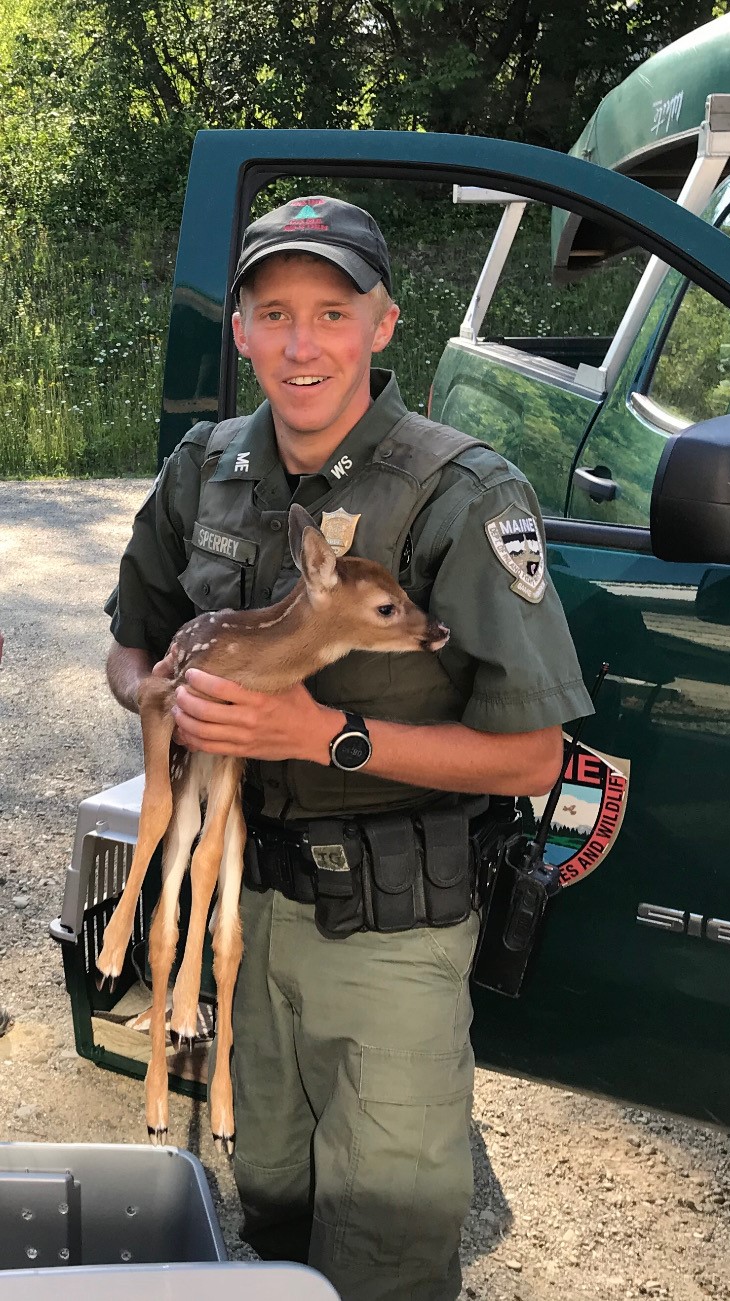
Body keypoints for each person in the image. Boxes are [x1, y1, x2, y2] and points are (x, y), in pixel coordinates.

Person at [104, 194, 593, 1301]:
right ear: (239, 331)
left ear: (384, 323)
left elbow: (532, 760)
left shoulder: (460, 491)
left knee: (380, 1250)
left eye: (333, 310)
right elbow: (128, 651)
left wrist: (326, 735)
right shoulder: (206, 466)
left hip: (389, 936)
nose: (301, 342)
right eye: (272, 313)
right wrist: (160, 699)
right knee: (269, 1211)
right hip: (247, 916)